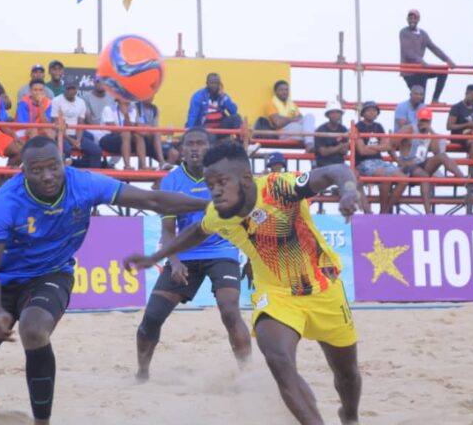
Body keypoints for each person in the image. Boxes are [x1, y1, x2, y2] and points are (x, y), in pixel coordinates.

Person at [0, 136, 208, 424]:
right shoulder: (4, 202)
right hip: (1, 283)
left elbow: (150, 199)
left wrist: (208, 205)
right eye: (37, 170)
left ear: (65, 163)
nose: (47, 176)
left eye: (53, 167)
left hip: (52, 274)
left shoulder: (84, 183)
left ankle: (42, 421)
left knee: (34, 329)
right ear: (22, 171)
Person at [124, 141, 361, 425]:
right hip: (275, 295)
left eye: (222, 182)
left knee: (347, 376)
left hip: (324, 289)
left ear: (246, 179)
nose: (215, 190)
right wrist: (157, 256)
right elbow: (196, 232)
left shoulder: (279, 187)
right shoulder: (217, 213)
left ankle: (349, 415)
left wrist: (348, 191)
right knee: (278, 359)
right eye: (211, 184)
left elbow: (337, 169)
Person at [135, 128, 251, 382]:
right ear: (181, 150)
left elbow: (246, 218)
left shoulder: (223, 178)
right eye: (190, 144)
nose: (195, 148)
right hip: (184, 255)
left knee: (230, 311)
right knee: (151, 318)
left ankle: (247, 373)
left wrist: (252, 257)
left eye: (200, 143)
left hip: (222, 251)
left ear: (208, 148)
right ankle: (142, 373)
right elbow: (168, 231)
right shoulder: (171, 181)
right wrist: (174, 261)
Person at [393, 108, 469, 214]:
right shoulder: (409, 129)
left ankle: (464, 182)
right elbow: (390, 143)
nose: (424, 123)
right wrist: (399, 161)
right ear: (418, 120)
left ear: (430, 121)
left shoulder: (430, 133)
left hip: (421, 164)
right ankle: (428, 213)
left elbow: (436, 152)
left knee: (442, 156)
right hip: (407, 166)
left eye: (426, 120)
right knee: (424, 175)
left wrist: (432, 132)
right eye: (422, 120)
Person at [355, 101, 406, 214]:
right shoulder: (357, 127)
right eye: (369, 110)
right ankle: (383, 212)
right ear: (363, 113)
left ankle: (385, 211)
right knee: (385, 178)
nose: (372, 112)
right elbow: (361, 151)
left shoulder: (379, 126)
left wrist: (372, 147)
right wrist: (380, 147)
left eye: (374, 110)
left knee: (403, 179)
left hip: (378, 161)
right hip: (363, 163)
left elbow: (387, 146)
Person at [399, 9, 455, 103]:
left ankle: (435, 99)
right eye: (410, 18)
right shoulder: (404, 32)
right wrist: (420, 61)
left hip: (421, 70)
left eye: (414, 18)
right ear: (407, 19)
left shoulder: (423, 34)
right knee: (420, 100)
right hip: (410, 72)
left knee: (443, 71)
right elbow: (407, 52)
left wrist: (447, 60)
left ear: (418, 20)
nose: (412, 20)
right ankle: (418, 113)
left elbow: (433, 47)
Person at [50, 78, 102, 168]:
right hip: (61, 134)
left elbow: (80, 123)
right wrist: (71, 140)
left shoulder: (81, 102)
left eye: (73, 88)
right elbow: (56, 125)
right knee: (66, 150)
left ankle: (93, 177)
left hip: (77, 134)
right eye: (68, 88)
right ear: (64, 88)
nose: (71, 91)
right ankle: (65, 176)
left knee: (96, 151)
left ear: (77, 88)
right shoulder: (56, 101)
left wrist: (77, 140)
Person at [185, 73, 242, 140]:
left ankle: (240, 143)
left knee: (236, 117)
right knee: (211, 134)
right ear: (207, 83)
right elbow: (192, 115)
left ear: (220, 84)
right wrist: (188, 133)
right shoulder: (198, 96)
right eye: (212, 83)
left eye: (217, 83)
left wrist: (225, 98)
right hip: (204, 128)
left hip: (220, 128)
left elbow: (234, 111)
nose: (214, 86)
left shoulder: (223, 96)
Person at [265, 80, 316, 155]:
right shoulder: (271, 104)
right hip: (282, 132)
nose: (284, 92)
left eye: (286, 90)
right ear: (276, 92)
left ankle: (309, 144)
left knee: (309, 116)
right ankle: (310, 147)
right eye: (281, 90)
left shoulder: (292, 104)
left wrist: (285, 118)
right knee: (313, 133)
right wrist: (292, 119)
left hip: (296, 130)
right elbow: (278, 123)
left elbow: (300, 118)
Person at [99, 99, 143, 170]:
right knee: (126, 134)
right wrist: (128, 131)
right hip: (107, 139)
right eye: (125, 98)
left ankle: (143, 166)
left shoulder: (132, 110)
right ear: (118, 101)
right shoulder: (108, 109)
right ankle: (127, 166)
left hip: (124, 139)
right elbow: (113, 130)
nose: (128, 102)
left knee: (138, 136)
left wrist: (126, 115)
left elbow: (131, 129)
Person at [135, 98, 169, 169]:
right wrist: (149, 128)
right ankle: (144, 165)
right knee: (151, 133)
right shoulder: (136, 107)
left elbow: (156, 126)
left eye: (152, 95)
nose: (150, 97)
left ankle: (162, 164)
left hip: (150, 135)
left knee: (173, 153)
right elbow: (138, 126)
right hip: (138, 134)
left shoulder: (155, 109)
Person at [446, 84, 473, 151]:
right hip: (459, 135)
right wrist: (467, 124)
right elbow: (449, 126)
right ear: (466, 93)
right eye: (472, 97)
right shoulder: (457, 107)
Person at [313, 101, 348, 167]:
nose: (335, 115)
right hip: (323, 165)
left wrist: (330, 149)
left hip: (339, 165)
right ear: (328, 115)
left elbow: (344, 151)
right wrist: (339, 147)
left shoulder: (343, 129)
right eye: (332, 112)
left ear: (340, 115)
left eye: (337, 112)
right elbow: (323, 152)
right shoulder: (320, 130)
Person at [82, 77, 116, 143]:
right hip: (94, 129)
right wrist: (101, 129)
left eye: (103, 82)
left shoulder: (112, 96)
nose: (101, 84)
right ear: (94, 83)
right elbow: (89, 120)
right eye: (98, 82)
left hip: (110, 127)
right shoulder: (86, 97)